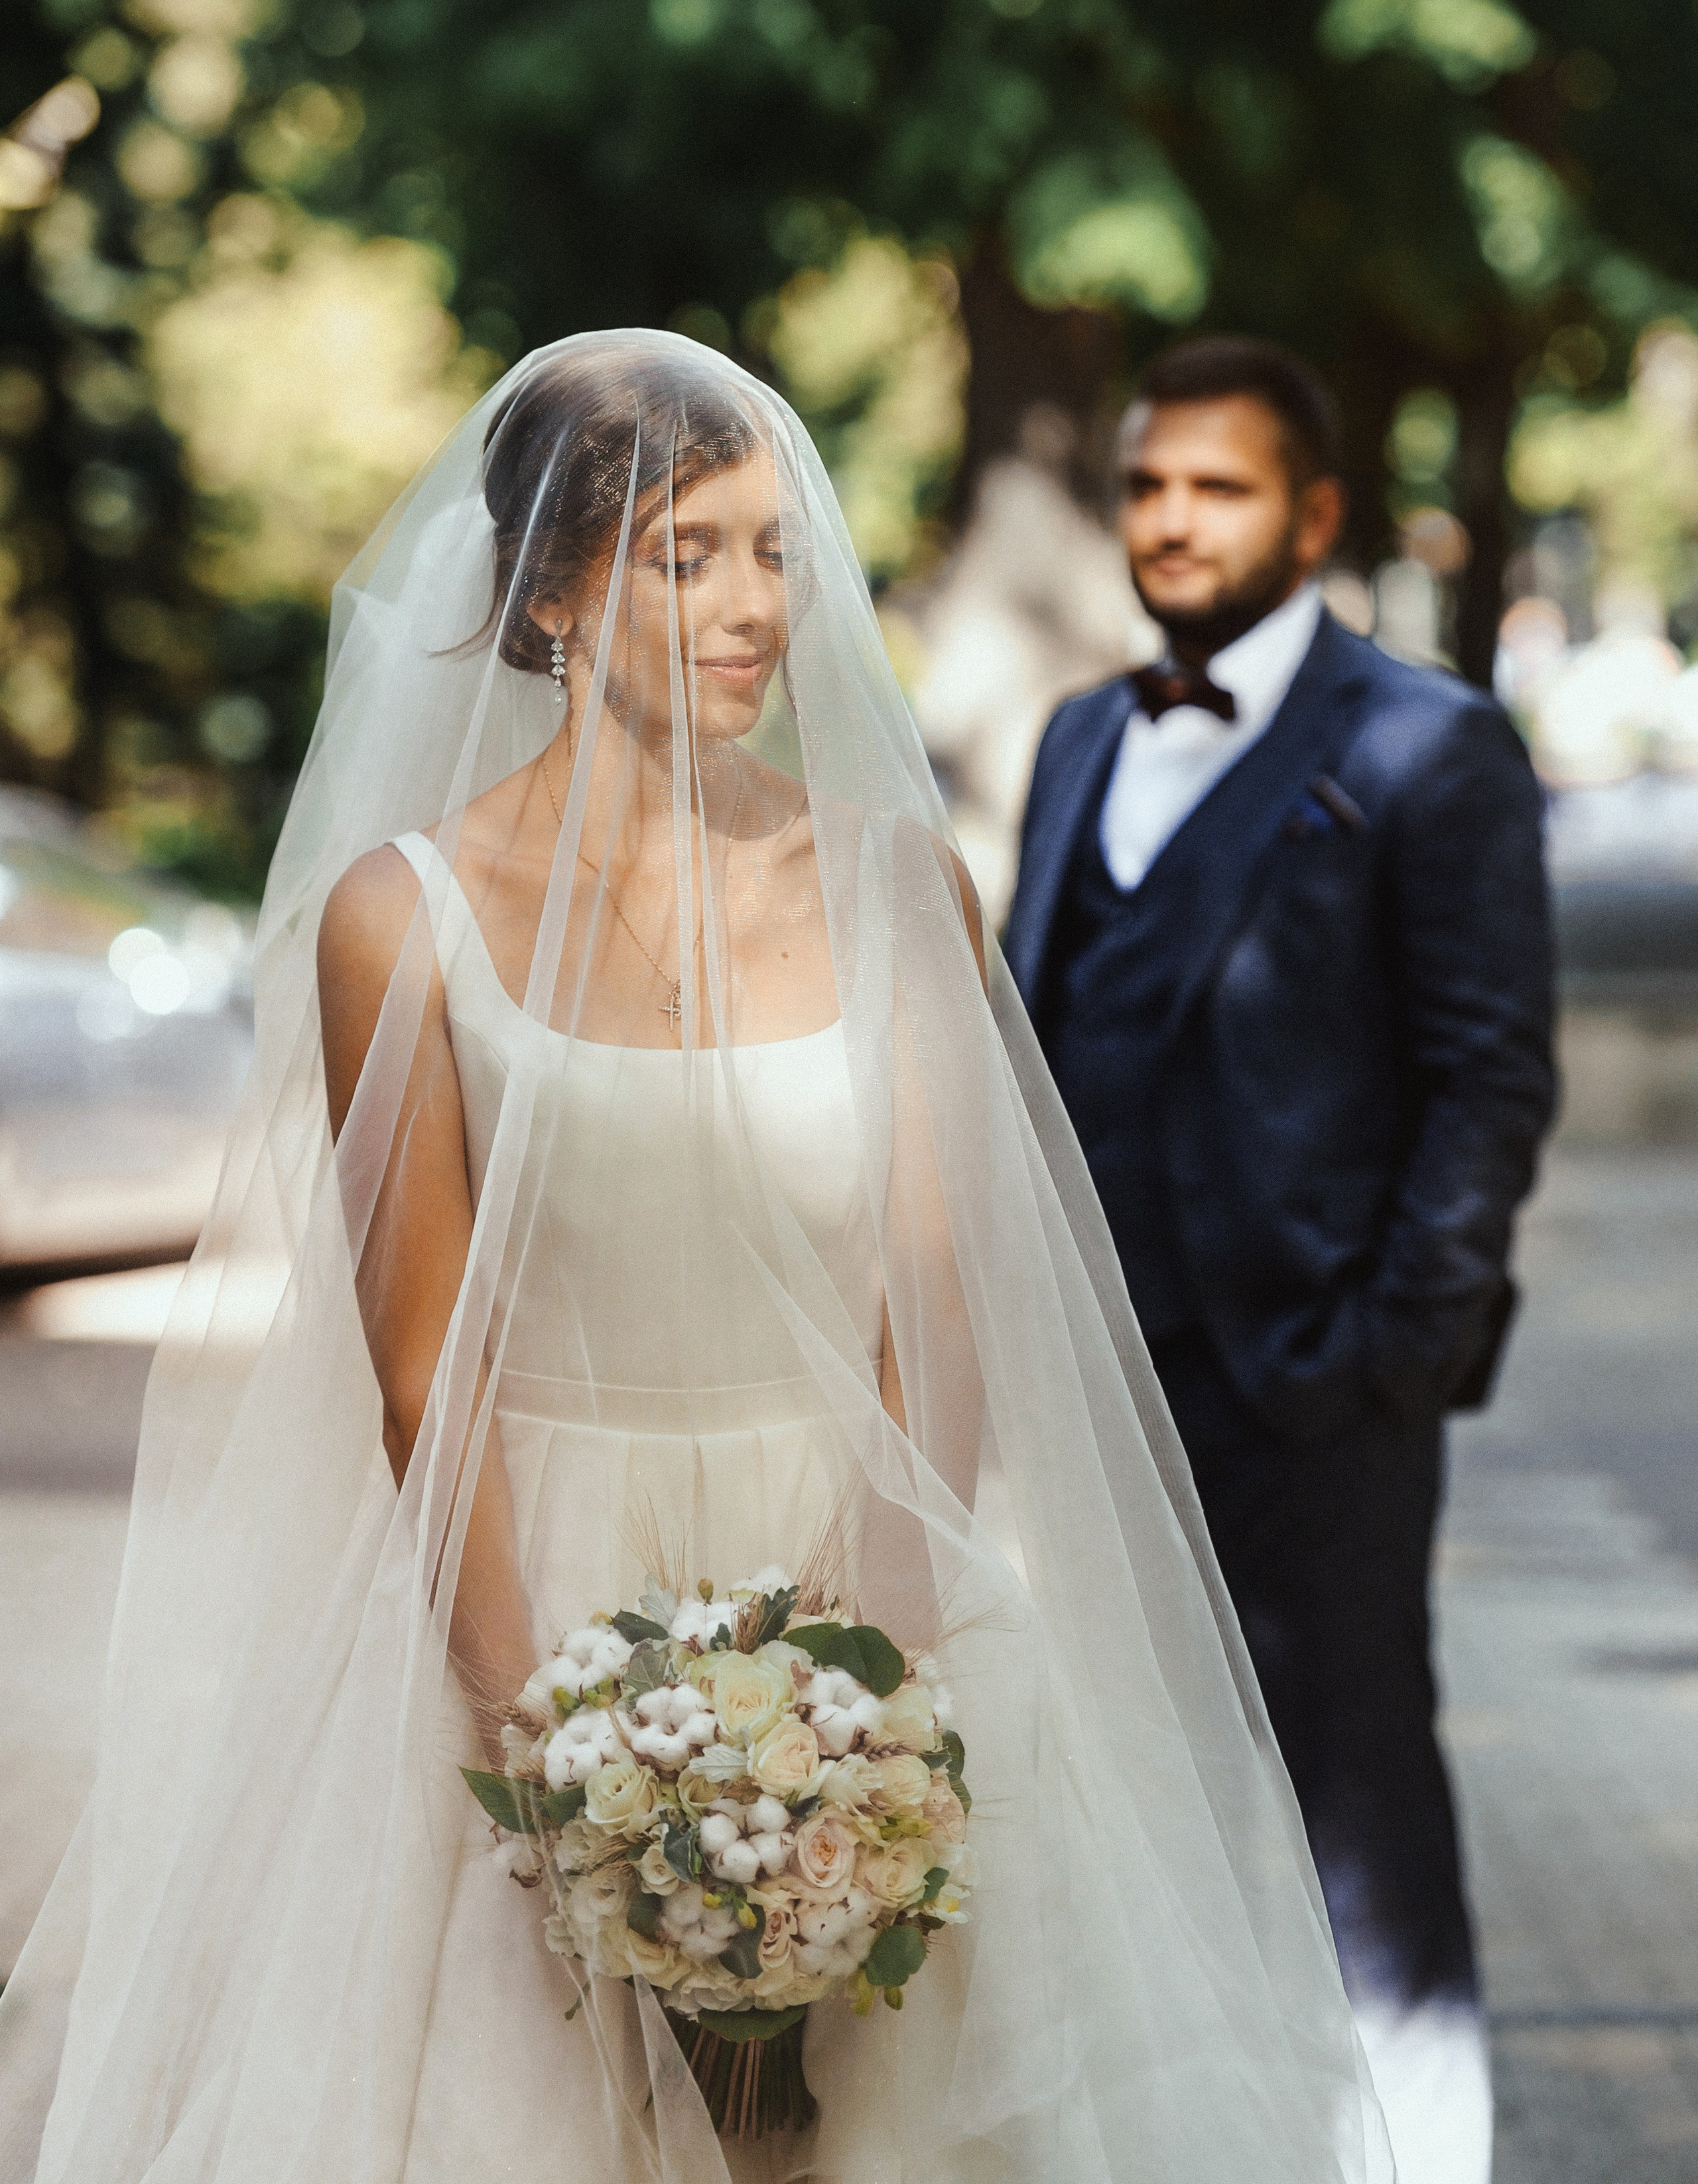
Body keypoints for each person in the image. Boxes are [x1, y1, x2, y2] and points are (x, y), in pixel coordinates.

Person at [0, 334, 1392, 2184]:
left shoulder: (903, 885)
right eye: (690, 556)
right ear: (559, 595)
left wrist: (862, 1702)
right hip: (531, 1607)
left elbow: (937, 1311)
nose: (758, 607)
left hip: (859, 1576)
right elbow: (425, 1373)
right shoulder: (396, 920)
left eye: (773, 551)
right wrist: (559, 1767)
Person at [1006, 334, 1557, 2184]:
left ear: (1312, 515)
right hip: (1092, 1386)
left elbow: (1492, 1074)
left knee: (1358, 1825)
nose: (1173, 520)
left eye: (1218, 488)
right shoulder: (1085, 731)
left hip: (1318, 1386)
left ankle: (1414, 2157)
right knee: (1117, 1808)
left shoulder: (1427, 743)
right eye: (1150, 485)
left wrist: (1396, 1347)